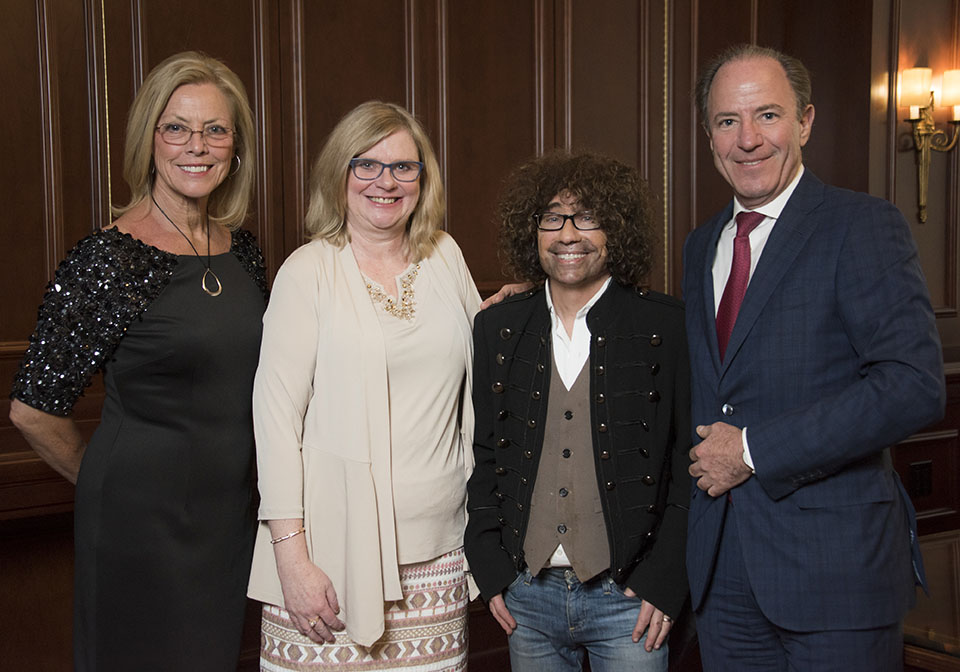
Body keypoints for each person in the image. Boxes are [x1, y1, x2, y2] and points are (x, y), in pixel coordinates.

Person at [683, 44, 945, 671]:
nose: (748, 139)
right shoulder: (701, 246)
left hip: (836, 574)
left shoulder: (862, 226)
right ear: (709, 135)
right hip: (722, 577)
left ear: (804, 122)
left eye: (768, 116)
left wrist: (753, 450)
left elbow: (913, 385)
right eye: (727, 122)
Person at [9, 51, 265, 670]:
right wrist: (114, 489)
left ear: (235, 146)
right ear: (148, 140)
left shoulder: (247, 254)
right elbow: (31, 412)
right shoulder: (108, 261)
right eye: (175, 127)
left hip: (231, 523)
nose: (195, 146)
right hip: (140, 531)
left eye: (214, 129)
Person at [248, 100, 481, 670]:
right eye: (367, 165)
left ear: (423, 180)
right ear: (340, 174)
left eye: (404, 167)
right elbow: (275, 419)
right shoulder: (307, 271)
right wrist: (292, 561)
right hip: (328, 560)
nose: (386, 181)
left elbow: (489, 366)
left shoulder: (445, 256)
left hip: (440, 553)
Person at [465, 151, 691, 672]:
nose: (569, 234)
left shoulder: (667, 327)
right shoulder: (498, 328)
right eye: (552, 217)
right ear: (534, 230)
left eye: (587, 217)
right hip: (528, 599)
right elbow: (483, 455)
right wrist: (492, 569)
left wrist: (664, 580)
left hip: (630, 603)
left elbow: (687, 467)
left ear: (617, 229)